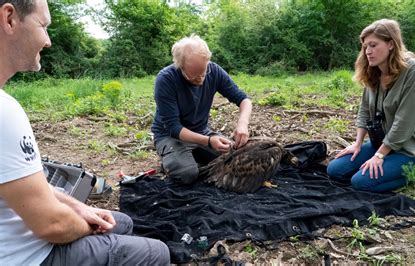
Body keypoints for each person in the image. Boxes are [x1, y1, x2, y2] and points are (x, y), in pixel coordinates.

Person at [0, 1, 169, 265]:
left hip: (19, 231)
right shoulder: (4, 112)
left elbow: (19, 183)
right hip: (26, 256)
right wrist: (86, 225)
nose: (47, 42)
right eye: (43, 26)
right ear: (9, 18)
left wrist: (81, 208)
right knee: (157, 253)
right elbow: (52, 226)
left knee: (120, 221)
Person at [326, 19, 415, 193]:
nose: (368, 51)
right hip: (380, 142)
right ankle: (385, 164)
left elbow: (404, 121)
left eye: (373, 45)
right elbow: (365, 110)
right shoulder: (373, 70)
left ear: (390, 44)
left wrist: (379, 156)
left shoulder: (414, 70)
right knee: (335, 170)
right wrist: (357, 144)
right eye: (365, 46)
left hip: (409, 149)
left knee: (360, 182)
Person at [151, 34, 252, 185]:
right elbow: (174, 128)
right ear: (180, 67)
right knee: (187, 174)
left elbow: (244, 100)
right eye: (193, 76)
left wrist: (242, 124)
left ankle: (192, 155)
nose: (201, 79)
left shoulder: (214, 71)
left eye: (203, 72)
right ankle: (172, 158)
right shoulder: (166, 79)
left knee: (238, 160)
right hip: (170, 136)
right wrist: (209, 141)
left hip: (200, 131)